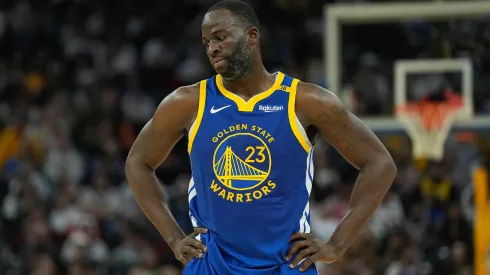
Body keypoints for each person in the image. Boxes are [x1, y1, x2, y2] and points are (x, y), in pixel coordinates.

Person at [125, 0, 397, 274]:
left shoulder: (306, 101)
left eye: (220, 37)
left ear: (251, 36)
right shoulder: (187, 102)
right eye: (206, 42)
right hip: (211, 264)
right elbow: (137, 163)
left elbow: (380, 164)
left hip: (286, 264)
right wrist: (173, 238)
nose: (212, 48)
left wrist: (337, 245)